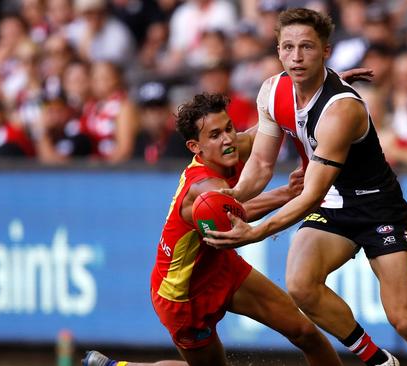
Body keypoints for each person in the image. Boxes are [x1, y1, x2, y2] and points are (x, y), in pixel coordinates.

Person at [204, 8, 407, 366]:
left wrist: (255, 233)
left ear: (326, 51)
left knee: (406, 320)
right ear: (277, 51)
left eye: (306, 47)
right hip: (332, 202)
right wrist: (231, 197)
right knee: (301, 285)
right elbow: (260, 166)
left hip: (376, 206)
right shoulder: (272, 92)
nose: (296, 56)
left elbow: (310, 195)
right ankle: (379, 361)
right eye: (288, 47)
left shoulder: (342, 109)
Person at [82, 93, 343, 366]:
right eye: (216, 135)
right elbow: (234, 215)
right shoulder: (202, 188)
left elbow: (270, 125)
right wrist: (287, 193)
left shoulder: (230, 148)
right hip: (183, 296)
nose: (228, 139)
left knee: (305, 332)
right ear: (196, 147)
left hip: (219, 267)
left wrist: (321, 96)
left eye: (229, 128)